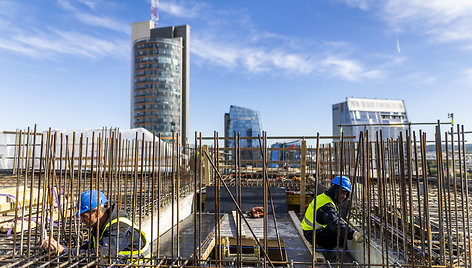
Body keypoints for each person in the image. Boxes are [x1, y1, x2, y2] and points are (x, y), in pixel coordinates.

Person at [40, 190, 150, 263]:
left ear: (96, 212)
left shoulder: (119, 227)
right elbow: (90, 248)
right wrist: (58, 246)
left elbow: (100, 256)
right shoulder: (101, 224)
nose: (81, 220)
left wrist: (64, 251)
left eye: (84, 216)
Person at [301, 176, 363, 249]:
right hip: (314, 235)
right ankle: (325, 248)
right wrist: (353, 233)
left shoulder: (324, 196)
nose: (344, 196)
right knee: (338, 230)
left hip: (309, 231)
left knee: (340, 226)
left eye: (346, 193)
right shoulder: (328, 205)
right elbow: (334, 223)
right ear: (335, 190)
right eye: (342, 192)